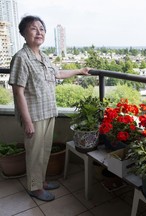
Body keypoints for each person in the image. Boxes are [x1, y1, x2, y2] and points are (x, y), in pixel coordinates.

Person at [8, 15, 91, 202]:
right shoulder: (21, 58)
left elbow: (59, 73)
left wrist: (79, 70)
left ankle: (41, 181)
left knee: (44, 150)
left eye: (42, 29)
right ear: (23, 33)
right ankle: (34, 187)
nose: (39, 32)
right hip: (34, 115)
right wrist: (27, 121)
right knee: (35, 153)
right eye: (33, 28)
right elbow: (18, 92)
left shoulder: (43, 57)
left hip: (48, 111)